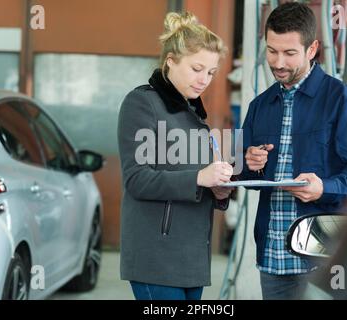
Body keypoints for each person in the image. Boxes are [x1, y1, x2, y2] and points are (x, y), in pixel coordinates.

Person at [240, 2, 347, 300]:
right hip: (273, 258)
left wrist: (323, 188)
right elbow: (243, 174)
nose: (278, 62)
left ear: (312, 48)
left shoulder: (342, 100)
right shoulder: (259, 106)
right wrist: (249, 164)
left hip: (324, 258)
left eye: (289, 53)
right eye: (272, 51)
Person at [117, 12, 234, 300]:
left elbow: (196, 181)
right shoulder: (142, 103)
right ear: (170, 61)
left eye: (210, 72)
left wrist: (218, 190)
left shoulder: (195, 114)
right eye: (196, 68)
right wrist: (199, 177)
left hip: (192, 257)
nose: (204, 79)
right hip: (156, 258)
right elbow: (137, 179)